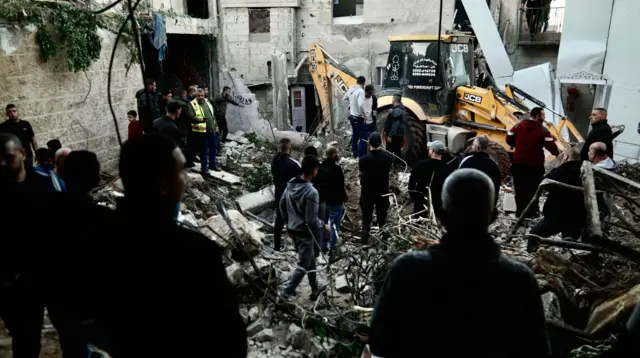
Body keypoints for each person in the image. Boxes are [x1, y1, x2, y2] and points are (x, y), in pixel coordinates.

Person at [369, 169, 551, 358]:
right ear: (493, 216)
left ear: (441, 216)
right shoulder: (519, 280)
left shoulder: (407, 270)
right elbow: (538, 351)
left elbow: (380, 343)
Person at [99, 134, 247, 357]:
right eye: (180, 171)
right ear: (162, 184)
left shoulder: (102, 239)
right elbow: (230, 342)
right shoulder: (194, 254)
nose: (185, 178)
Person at [44, 150, 110, 358]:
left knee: (72, 345)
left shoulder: (45, 207)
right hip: (90, 302)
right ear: (96, 177)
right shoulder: (102, 218)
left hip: (58, 299)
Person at [0, 133, 56, 358]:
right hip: (11, 278)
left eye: (7, 157)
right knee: (24, 335)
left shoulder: (43, 183)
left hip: (41, 273)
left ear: (23, 154)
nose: (2, 163)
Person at [279, 155, 329, 301]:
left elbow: (282, 204)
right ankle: (285, 295)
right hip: (305, 232)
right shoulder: (312, 192)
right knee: (303, 265)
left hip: (292, 229)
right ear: (314, 170)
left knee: (310, 259)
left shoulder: (291, 184)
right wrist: (324, 225)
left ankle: (315, 289)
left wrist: (288, 222)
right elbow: (312, 220)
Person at [528, 146, 585, 252]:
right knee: (569, 243)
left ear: (566, 157)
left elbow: (544, 183)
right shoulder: (586, 171)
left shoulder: (562, 170)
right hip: (578, 217)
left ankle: (531, 254)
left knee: (534, 234)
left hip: (557, 215)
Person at [506, 107, 559, 218]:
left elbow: (508, 138)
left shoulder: (518, 126)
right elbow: (551, 146)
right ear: (537, 116)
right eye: (543, 115)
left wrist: (518, 146)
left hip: (518, 164)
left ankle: (520, 213)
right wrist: (556, 153)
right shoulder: (543, 130)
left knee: (520, 189)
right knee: (533, 190)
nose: (544, 118)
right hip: (535, 166)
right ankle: (531, 214)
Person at [358, 132, 394, 245]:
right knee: (382, 219)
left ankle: (364, 243)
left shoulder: (363, 160)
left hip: (367, 193)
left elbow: (362, 173)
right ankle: (384, 243)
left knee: (366, 220)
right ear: (380, 143)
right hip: (382, 193)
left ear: (369, 144)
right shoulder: (388, 158)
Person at [408, 140, 454, 218]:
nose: (428, 150)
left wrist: (413, 196)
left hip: (421, 202)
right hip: (438, 204)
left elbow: (411, 183)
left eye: (430, 148)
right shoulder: (448, 169)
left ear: (432, 151)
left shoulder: (420, 164)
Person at [271, 138, 301, 251]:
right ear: (290, 148)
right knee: (293, 222)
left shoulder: (275, 161)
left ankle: (277, 247)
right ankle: (298, 247)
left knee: (279, 222)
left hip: (279, 195)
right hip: (291, 196)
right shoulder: (293, 164)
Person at [320, 146, 347, 257]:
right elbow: (340, 186)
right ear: (333, 155)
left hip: (322, 200)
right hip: (334, 200)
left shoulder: (320, 167)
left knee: (324, 222)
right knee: (334, 223)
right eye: (337, 153)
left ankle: (323, 244)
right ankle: (333, 247)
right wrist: (344, 197)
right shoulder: (336, 169)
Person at [459, 136, 502, 204]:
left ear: (477, 148)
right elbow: (495, 188)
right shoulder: (494, 166)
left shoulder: (466, 161)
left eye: (473, 145)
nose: (472, 147)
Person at [190, 88, 219, 173]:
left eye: (202, 95)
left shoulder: (207, 102)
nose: (201, 97)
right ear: (196, 96)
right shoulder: (192, 104)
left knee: (213, 148)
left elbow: (212, 115)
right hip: (201, 131)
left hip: (212, 129)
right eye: (199, 96)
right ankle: (204, 168)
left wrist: (216, 126)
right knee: (204, 150)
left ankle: (212, 165)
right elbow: (191, 117)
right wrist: (201, 119)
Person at [0, 104, 38, 168]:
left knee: (29, 174)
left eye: (14, 111)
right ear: (7, 114)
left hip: (28, 156)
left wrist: (37, 154)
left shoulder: (26, 124)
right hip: (13, 157)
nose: (12, 113)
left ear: (18, 112)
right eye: (9, 111)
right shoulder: (3, 126)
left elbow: (33, 140)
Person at [344, 76, 366, 158]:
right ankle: (361, 157)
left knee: (355, 136)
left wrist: (352, 103)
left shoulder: (351, 89)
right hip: (358, 117)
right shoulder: (361, 91)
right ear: (363, 83)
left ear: (356, 82)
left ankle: (354, 155)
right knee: (363, 138)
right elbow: (360, 105)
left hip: (352, 116)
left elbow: (345, 97)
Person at [384, 93, 406, 168]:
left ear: (394, 100)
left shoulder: (396, 111)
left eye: (392, 99)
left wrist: (390, 135)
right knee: (397, 150)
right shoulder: (402, 109)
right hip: (399, 134)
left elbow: (395, 124)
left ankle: (389, 166)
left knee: (389, 151)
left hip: (394, 135)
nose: (392, 100)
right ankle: (397, 165)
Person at [357, 85, 376, 158]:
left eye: (372, 93)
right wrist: (364, 117)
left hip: (371, 121)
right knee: (363, 140)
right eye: (369, 93)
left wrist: (374, 113)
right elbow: (360, 109)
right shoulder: (361, 99)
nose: (371, 95)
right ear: (366, 92)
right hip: (364, 122)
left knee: (373, 138)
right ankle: (361, 157)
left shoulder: (373, 97)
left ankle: (372, 155)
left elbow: (375, 106)